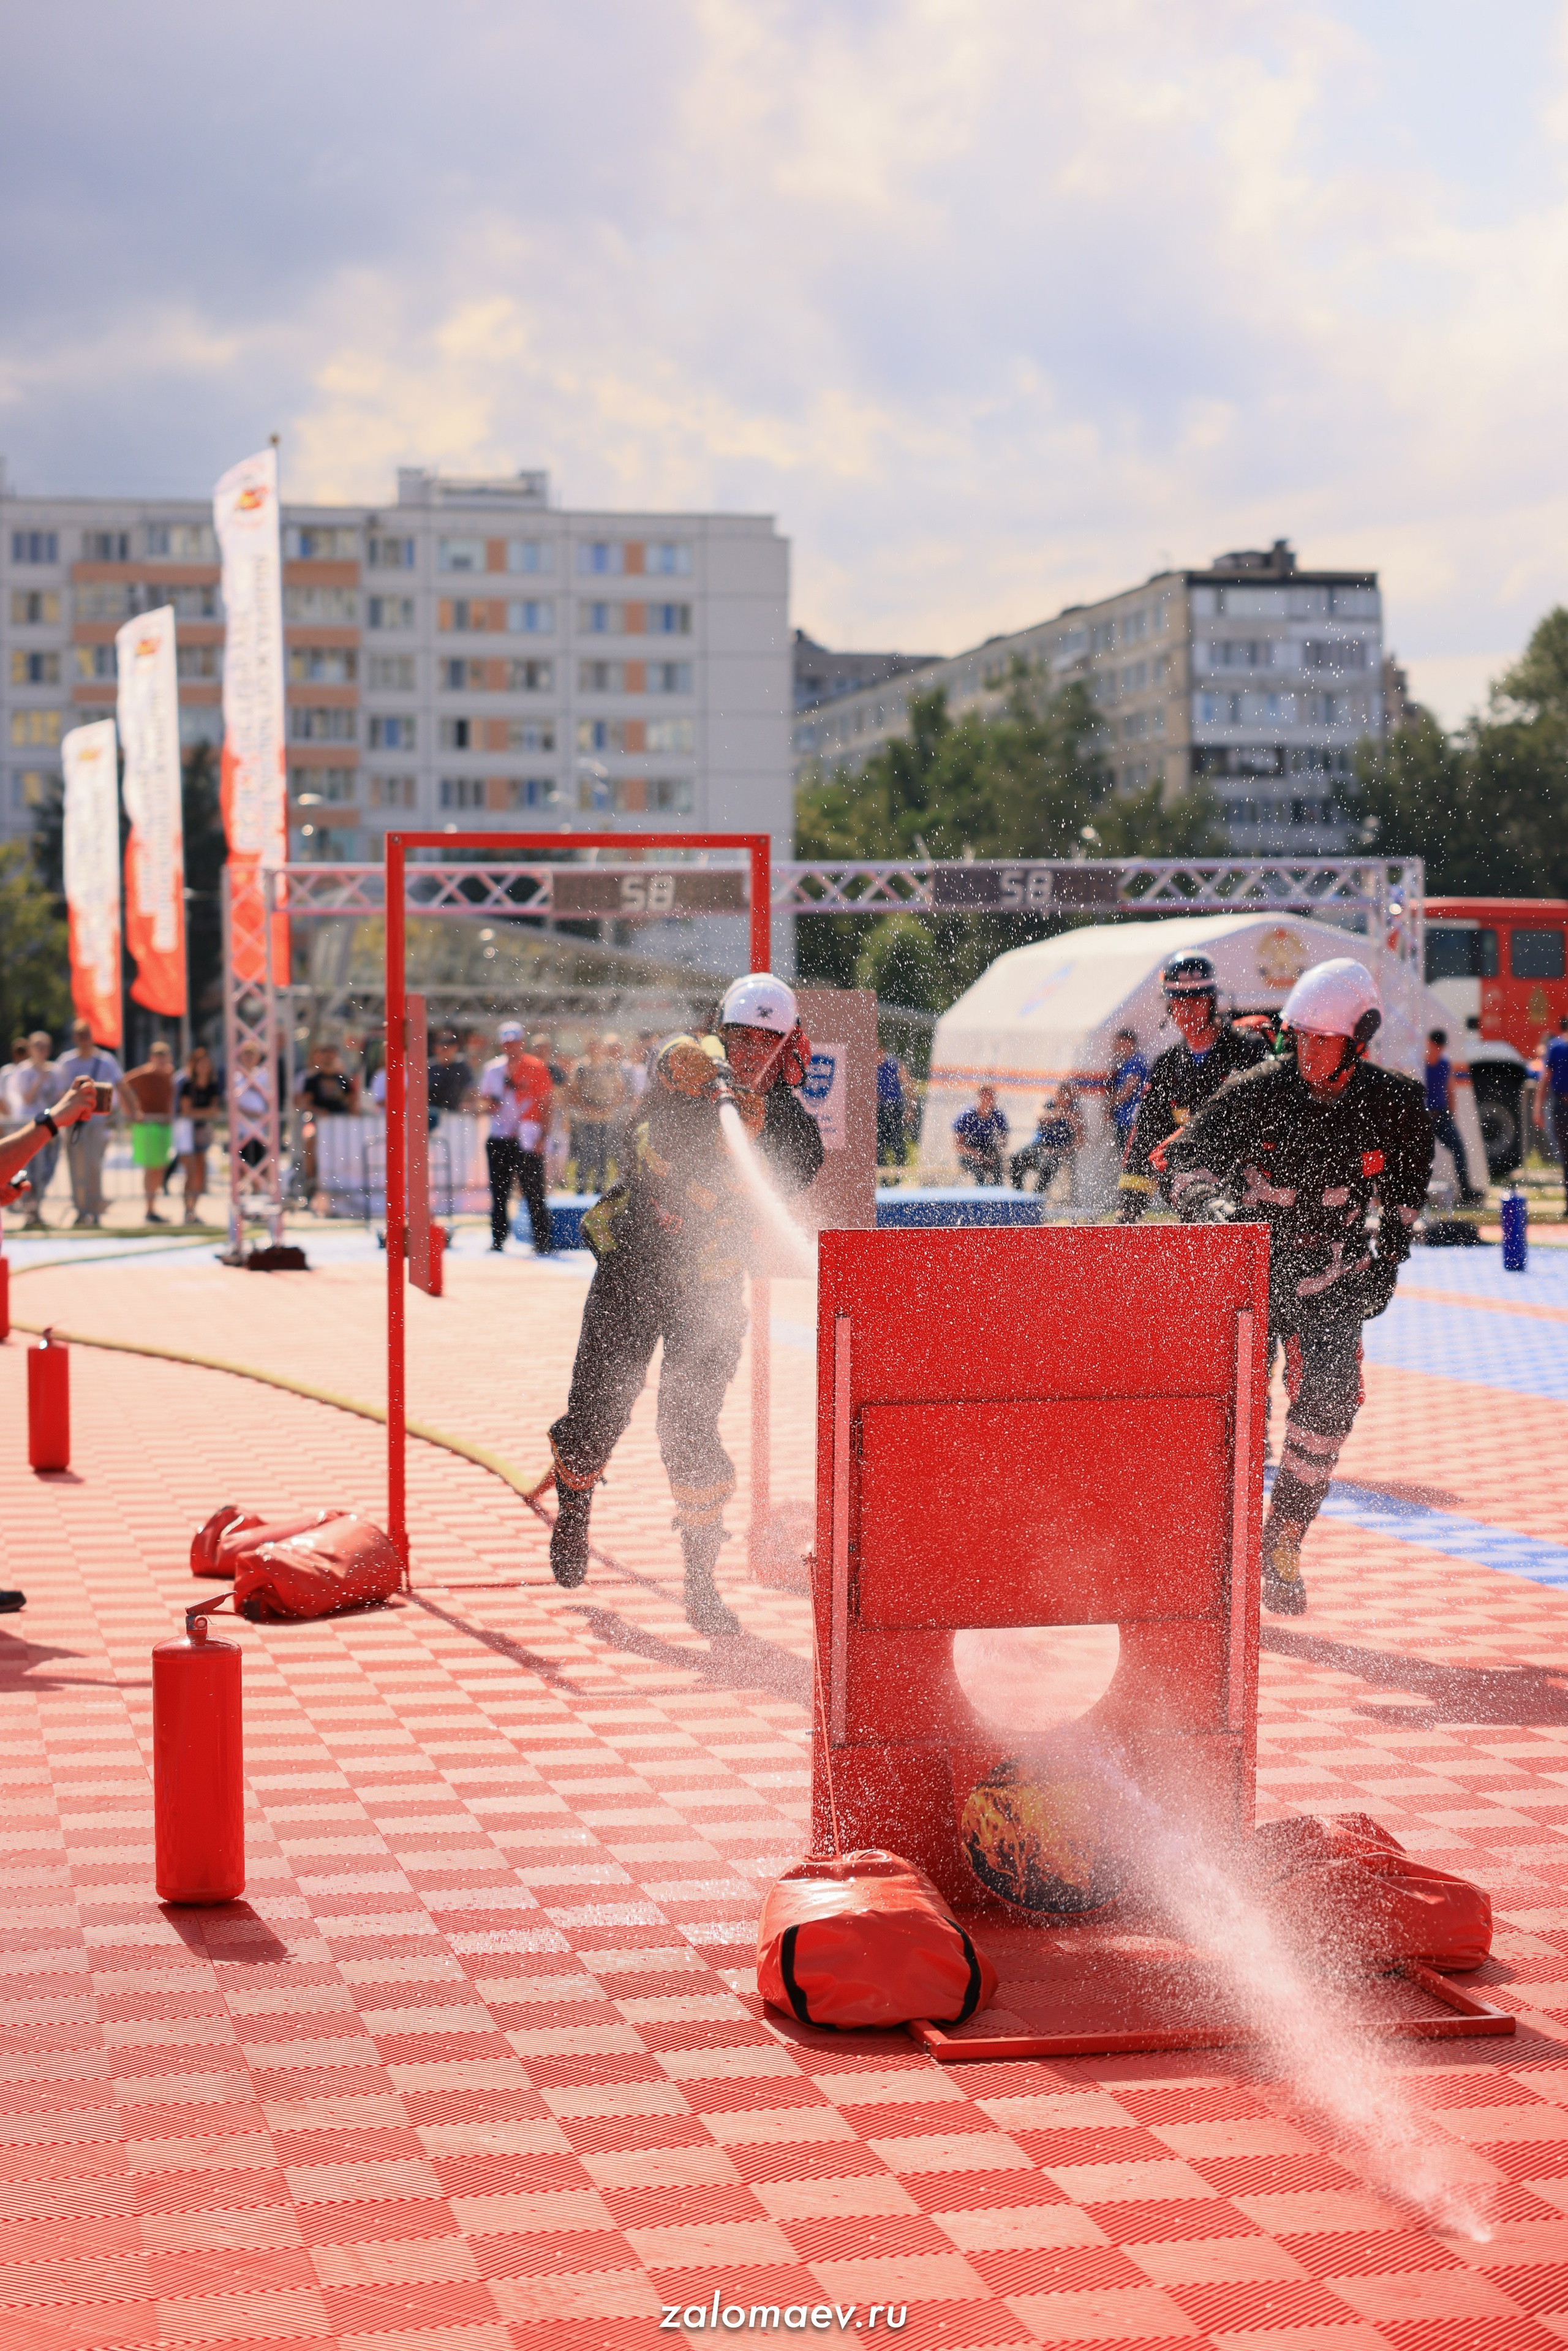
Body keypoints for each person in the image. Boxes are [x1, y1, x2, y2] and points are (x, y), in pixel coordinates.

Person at [547, 972, 824, 1633]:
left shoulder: (787, 1121)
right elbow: (645, 1129)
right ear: (722, 1035)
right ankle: (575, 1504)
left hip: (709, 1288)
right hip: (633, 1269)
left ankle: (701, 1583)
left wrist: (753, 1128)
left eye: (766, 1043)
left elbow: (795, 1167)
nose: (751, 1054)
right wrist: (684, 1072)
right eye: (740, 1039)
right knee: (597, 1411)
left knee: (690, 1427)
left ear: (786, 1047)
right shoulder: (688, 1077)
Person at [1165, 957, 1433, 1619]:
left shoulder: (1393, 1102)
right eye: (1301, 1038)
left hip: (1334, 1278)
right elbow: (1183, 1160)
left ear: (1357, 1040)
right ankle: (1212, 1552)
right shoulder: (1256, 1090)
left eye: (1324, 1041)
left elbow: (1407, 1183)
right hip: (1250, 1275)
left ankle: (1283, 1538)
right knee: (1231, 1416)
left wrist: (1388, 1259)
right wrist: (1210, 1208)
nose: (1308, 1053)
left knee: (1332, 1404)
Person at [1117, 953, 1272, 1220]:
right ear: (1169, 1006)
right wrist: (1129, 1210)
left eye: (1196, 1000)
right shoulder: (1167, 1066)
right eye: (1180, 1002)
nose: (1187, 1010)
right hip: (1194, 1195)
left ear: (1212, 1001)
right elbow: (1145, 1135)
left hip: (1248, 1189)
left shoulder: (1248, 1049)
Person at [481, 1022, 554, 1255]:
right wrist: (493, 1101)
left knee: (534, 1190)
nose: (511, 1047)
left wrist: (543, 1135)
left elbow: (546, 1102)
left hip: (528, 1136)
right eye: (507, 1043)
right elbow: (485, 1103)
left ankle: (542, 1241)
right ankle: (498, 1238)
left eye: (514, 1043)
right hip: (500, 1135)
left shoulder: (536, 1066)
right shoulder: (493, 1069)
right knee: (499, 1191)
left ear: (522, 1043)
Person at [54, 1019, 130, 1228]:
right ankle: (81, 1210)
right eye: (80, 1036)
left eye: (86, 1035)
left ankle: (95, 1209)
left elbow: (121, 1085)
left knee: (94, 1165)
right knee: (76, 1167)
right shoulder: (66, 1062)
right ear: (74, 1038)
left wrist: (133, 1110)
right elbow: (59, 1093)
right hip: (74, 1123)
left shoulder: (105, 1061)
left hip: (96, 1123)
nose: (84, 1040)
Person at [2, 1033, 61, 1228]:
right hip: (28, 1127)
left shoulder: (55, 1071)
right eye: (38, 1046)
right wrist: (39, 1080)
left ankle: (36, 1208)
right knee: (29, 1171)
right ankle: (30, 1210)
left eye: (45, 1046)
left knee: (47, 1170)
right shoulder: (22, 1072)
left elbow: (58, 1100)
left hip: (49, 1128)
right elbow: (26, 1099)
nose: (42, 1050)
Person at [1423, 1030, 1485, 1206]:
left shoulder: (1444, 1064)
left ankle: (1466, 1190)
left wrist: (1451, 1115)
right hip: (1424, 1116)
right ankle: (1415, 1191)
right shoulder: (1422, 1064)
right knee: (1422, 1154)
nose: (1438, 1050)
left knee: (1459, 1148)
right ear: (1430, 1044)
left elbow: (1450, 1090)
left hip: (1440, 1115)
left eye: (1440, 1047)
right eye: (1436, 1046)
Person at [124, 1040, 178, 1224]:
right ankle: (149, 1209)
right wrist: (132, 1111)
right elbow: (123, 1086)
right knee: (150, 1168)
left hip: (164, 1125)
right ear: (151, 1058)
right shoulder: (142, 1074)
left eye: (164, 1056)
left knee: (160, 1167)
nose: (161, 1060)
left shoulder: (169, 1074)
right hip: (147, 1125)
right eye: (158, 1056)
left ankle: (153, 1207)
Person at [568, 1035, 629, 1194]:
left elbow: (621, 1090)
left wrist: (610, 1107)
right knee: (585, 1151)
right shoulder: (581, 1066)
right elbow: (573, 1091)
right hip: (586, 1116)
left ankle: (599, 1187)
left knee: (603, 1152)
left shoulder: (610, 1066)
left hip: (606, 1116)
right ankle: (581, 1185)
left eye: (597, 1047)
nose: (594, 1050)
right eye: (592, 1046)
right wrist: (585, 1107)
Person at [1010, 1082, 1085, 1200]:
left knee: (1049, 1165)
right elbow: (1040, 1116)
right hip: (1040, 1146)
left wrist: (1064, 1150)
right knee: (1015, 1158)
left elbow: (1081, 1138)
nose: (1063, 1099)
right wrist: (1062, 1114)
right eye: (1061, 1095)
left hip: (1059, 1151)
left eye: (1066, 1096)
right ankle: (1018, 1197)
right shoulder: (1049, 1105)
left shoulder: (1074, 1110)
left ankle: (1036, 1198)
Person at [175, 1043, 224, 1224]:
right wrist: (204, 1113)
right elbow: (186, 1111)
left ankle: (194, 1209)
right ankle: (187, 1209)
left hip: (202, 1131)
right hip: (186, 1131)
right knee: (190, 1170)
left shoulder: (212, 1085)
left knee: (200, 1172)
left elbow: (214, 1111)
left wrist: (200, 1113)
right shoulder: (187, 1084)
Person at [1539, 1014, 1568, 1212]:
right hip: (1562, 1106)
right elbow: (1545, 1079)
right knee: (1565, 1156)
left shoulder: (1556, 1047)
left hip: (1561, 1106)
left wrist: (1538, 1109)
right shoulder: (1556, 1047)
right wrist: (1538, 1109)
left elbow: (1545, 1080)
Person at [954, 1085, 1009, 1185]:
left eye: (991, 1098)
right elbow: (958, 1146)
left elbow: (1003, 1142)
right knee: (979, 1169)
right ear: (979, 1098)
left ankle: (997, 1192)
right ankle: (981, 1192)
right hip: (970, 1153)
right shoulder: (967, 1116)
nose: (988, 1101)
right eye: (986, 1097)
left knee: (998, 1168)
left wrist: (994, 1154)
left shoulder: (998, 1116)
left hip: (989, 1151)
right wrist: (975, 1154)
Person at [1109, 1028, 1148, 1153]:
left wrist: (1109, 1105)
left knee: (1128, 1155)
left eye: (1119, 1043)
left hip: (1130, 1120)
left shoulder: (1135, 1062)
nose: (1116, 1047)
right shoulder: (1128, 1063)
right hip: (1126, 1119)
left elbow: (1128, 1090)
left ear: (1129, 1043)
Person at [876, 1048, 907, 1167]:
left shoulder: (894, 1064)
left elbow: (907, 1083)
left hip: (894, 1108)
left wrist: (910, 1108)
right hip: (879, 1109)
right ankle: (882, 1172)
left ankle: (899, 1170)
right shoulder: (870, 1067)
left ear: (882, 1051)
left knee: (896, 1139)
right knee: (879, 1143)